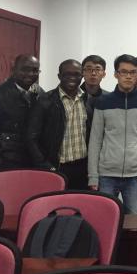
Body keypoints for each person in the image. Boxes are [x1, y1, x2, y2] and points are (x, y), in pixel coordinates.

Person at [87, 54, 137, 214]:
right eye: (124, 72)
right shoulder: (103, 101)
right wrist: (93, 175)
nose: (128, 76)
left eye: (133, 72)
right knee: (104, 217)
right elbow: (95, 140)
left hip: (136, 174)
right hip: (106, 174)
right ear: (116, 74)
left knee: (135, 220)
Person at [25, 59, 91, 189]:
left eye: (76, 74)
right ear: (59, 76)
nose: (72, 77)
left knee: (81, 201)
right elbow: (30, 138)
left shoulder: (88, 100)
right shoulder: (45, 101)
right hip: (57, 168)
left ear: (82, 76)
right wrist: (45, 165)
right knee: (56, 201)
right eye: (67, 74)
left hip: (83, 168)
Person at [0, 54, 42, 176]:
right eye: (25, 69)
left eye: (35, 70)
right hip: (5, 165)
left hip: (31, 161)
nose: (30, 74)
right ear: (13, 70)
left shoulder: (38, 92)